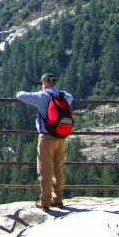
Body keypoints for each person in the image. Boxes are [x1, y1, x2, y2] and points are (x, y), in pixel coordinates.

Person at [16, 73, 74, 211]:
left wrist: (41, 92)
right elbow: (71, 97)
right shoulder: (64, 96)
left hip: (47, 137)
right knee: (58, 168)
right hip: (62, 136)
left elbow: (20, 95)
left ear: (44, 84)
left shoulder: (42, 97)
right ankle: (58, 199)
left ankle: (45, 201)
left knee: (45, 170)